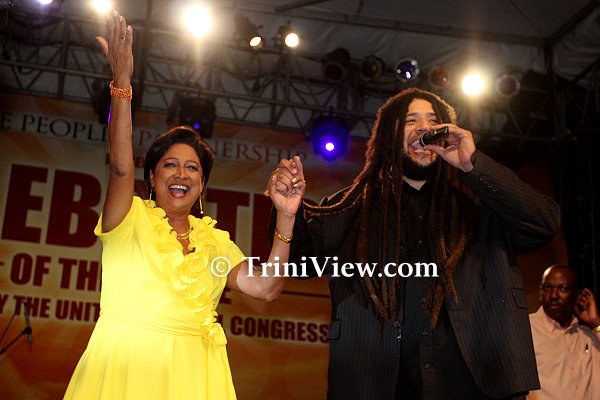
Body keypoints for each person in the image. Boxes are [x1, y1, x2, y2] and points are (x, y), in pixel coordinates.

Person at [63, 11, 305, 400]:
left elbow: (267, 288)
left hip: (196, 374)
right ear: (152, 176)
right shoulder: (129, 217)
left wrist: (286, 217)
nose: (181, 174)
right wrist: (122, 84)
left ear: (202, 184)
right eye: (170, 165)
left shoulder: (215, 242)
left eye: (192, 168)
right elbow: (121, 167)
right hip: (126, 363)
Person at [269, 88, 560, 399]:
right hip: (378, 385)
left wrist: (472, 164)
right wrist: (286, 214)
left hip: (477, 385)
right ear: (388, 136)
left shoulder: (480, 202)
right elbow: (298, 265)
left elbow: (543, 223)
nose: (424, 128)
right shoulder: (349, 208)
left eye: (433, 121)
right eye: (411, 121)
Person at [527, 265, 600, 400]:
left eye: (563, 289)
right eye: (547, 287)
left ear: (578, 295)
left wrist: (596, 324)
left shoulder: (588, 335)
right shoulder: (527, 330)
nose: (553, 295)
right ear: (540, 291)